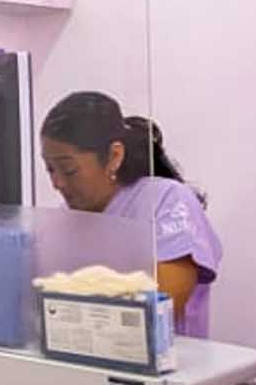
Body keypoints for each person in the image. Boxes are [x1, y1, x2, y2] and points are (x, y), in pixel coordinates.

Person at [39, 92, 221, 337]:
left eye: (69, 170)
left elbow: (159, 311)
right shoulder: (61, 221)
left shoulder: (167, 201)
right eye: (50, 169)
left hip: (164, 356)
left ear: (114, 156)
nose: (57, 183)